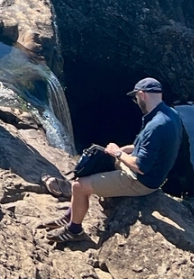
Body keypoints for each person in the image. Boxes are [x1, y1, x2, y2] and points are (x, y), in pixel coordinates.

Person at [44, 77, 183, 246]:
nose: (136, 101)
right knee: (94, 164)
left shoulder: (155, 126)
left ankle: (74, 230)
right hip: (154, 174)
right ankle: (70, 215)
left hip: (141, 181)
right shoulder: (170, 114)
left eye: (136, 98)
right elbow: (154, 147)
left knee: (78, 186)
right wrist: (125, 150)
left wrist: (117, 153)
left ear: (141, 94)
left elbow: (140, 167)